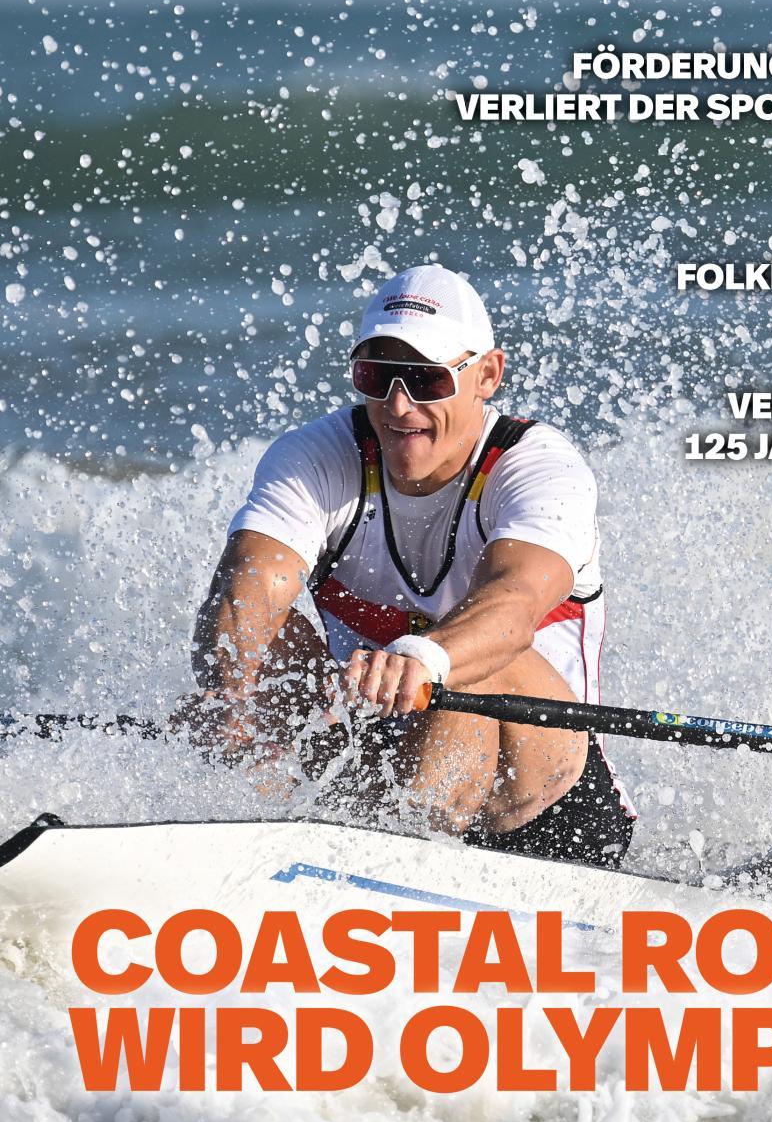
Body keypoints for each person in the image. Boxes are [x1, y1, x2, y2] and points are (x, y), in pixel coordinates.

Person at [187, 263, 634, 868]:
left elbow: (515, 603)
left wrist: (424, 658)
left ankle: (385, 864)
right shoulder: (314, 458)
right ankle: (288, 836)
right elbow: (247, 591)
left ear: (486, 375)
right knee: (256, 632)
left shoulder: (538, 470)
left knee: (469, 667)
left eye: (426, 379)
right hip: (380, 769)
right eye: (377, 376)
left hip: (546, 805)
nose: (399, 406)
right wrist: (231, 700)